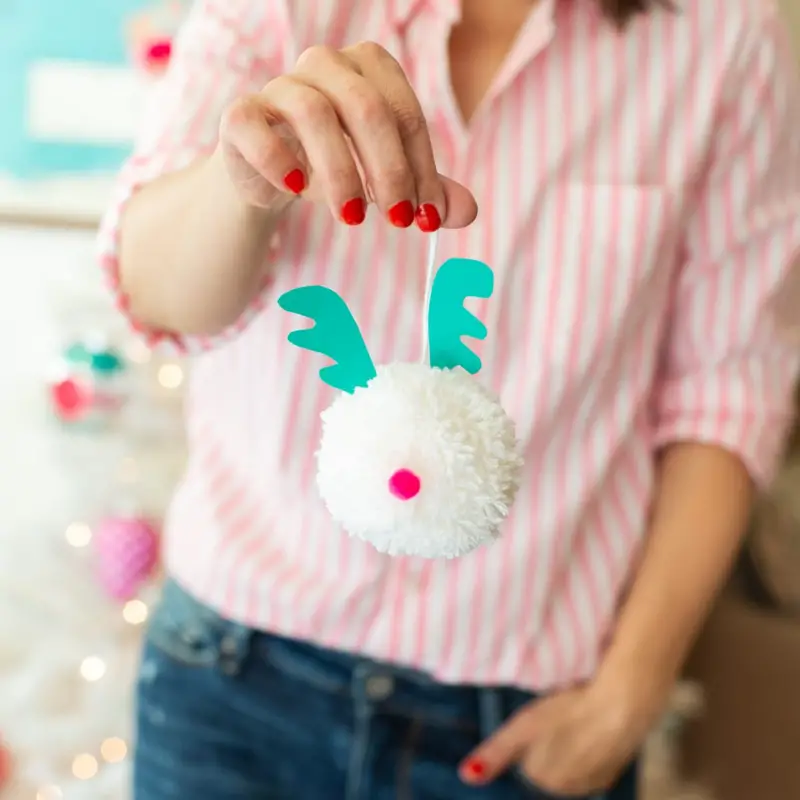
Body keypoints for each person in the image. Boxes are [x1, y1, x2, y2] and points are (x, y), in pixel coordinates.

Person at [100, 0, 800, 797]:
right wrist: (242, 179)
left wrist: (633, 688)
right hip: (232, 689)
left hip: (518, 725)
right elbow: (154, 296)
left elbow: (727, 395)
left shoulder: (724, 35)